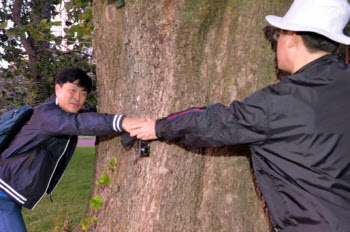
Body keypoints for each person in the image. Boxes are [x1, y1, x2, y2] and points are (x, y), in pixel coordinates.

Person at [128, 0, 350, 231]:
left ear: (292, 37)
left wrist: (159, 126)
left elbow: (216, 122)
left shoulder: (281, 102)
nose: (277, 44)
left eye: (278, 36)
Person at [0, 67, 143, 231]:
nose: (77, 97)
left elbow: (84, 117)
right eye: (72, 90)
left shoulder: (58, 114)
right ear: (57, 88)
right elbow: (79, 123)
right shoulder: (47, 115)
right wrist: (123, 122)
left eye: (83, 93)